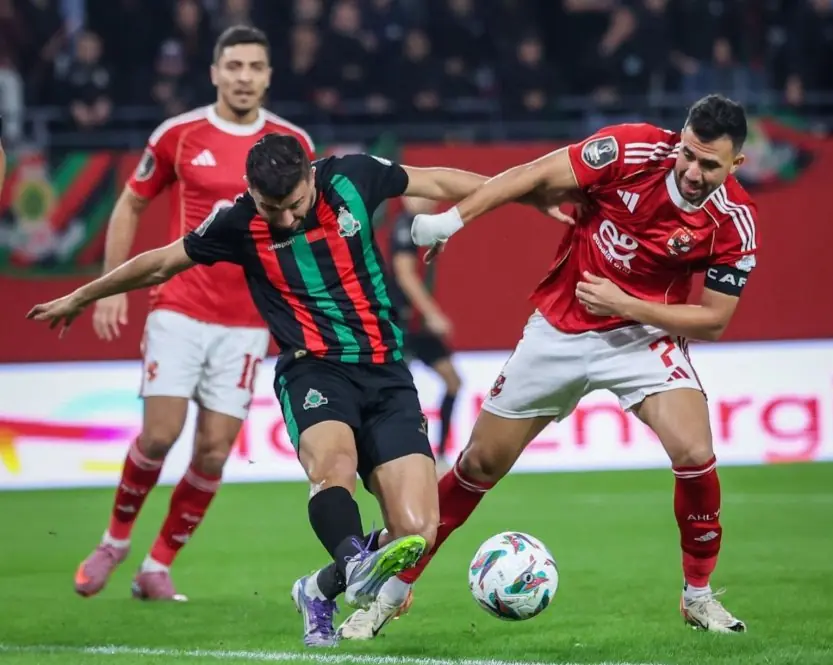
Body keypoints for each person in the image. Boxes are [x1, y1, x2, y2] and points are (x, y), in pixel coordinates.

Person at [27, 133, 566, 646]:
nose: (284, 218)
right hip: (313, 371)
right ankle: (354, 563)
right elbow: (161, 263)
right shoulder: (237, 222)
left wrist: (523, 193)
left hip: (386, 373)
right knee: (333, 466)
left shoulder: (353, 177)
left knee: (417, 533)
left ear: (311, 175)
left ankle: (317, 589)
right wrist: (82, 295)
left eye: (294, 204)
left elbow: (439, 181)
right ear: (251, 191)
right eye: (272, 208)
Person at [338, 94, 758, 638]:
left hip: (643, 337)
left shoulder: (734, 222)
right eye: (688, 154)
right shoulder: (629, 150)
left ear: (736, 164)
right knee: (477, 465)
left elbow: (714, 321)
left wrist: (626, 305)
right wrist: (451, 222)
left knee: (695, 453)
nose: (693, 171)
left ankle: (698, 596)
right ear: (679, 139)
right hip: (560, 329)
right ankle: (389, 595)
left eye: (710, 165)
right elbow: (533, 174)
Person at [74, 25, 316, 601]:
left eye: (254, 67)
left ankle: (156, 566)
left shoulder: (292, 142)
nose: (243, 77)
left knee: (213, 450)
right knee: (160, 435)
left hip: (248, 321)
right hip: (179, 307)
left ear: (268, 76)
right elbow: (131, 202)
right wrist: (111, 286)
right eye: (233, 66)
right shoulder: (179, 135)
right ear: (214, 72)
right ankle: (114, 541)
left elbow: (306, 226)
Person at [388, 196, 462, 474]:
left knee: (453, 381)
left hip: (417, 327)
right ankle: (399, 455)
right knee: (398, 393)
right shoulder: (405, 225)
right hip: (400, 324)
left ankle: (440, 455)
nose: (430, 200)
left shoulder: (424, 228)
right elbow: (404, 274)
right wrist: (432, 313)